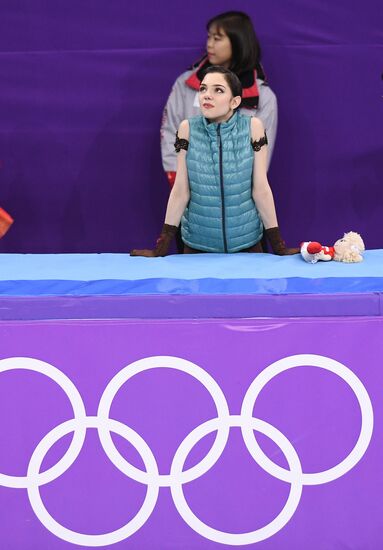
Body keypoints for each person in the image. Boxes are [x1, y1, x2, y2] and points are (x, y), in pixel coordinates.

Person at [131, 67, 297, 257]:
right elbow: (180, 191)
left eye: (218, 90)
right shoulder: (187, 128)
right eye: (203, 89)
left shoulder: (253, 127)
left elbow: (260, 188)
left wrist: (278, 246)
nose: (206, 96)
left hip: (248, 245)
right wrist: (161, 248)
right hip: (197, 248)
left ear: (235, 101)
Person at [161, 11, 278, 190]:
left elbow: (262, 151)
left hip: (239, 195)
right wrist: (178, 178)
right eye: (209, 37)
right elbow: (171, 131)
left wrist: (242, 189)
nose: (209, 44)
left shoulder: (263, 96)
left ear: (238, 42)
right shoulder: (186, 85)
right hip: (191, 190)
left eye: (217, 38)